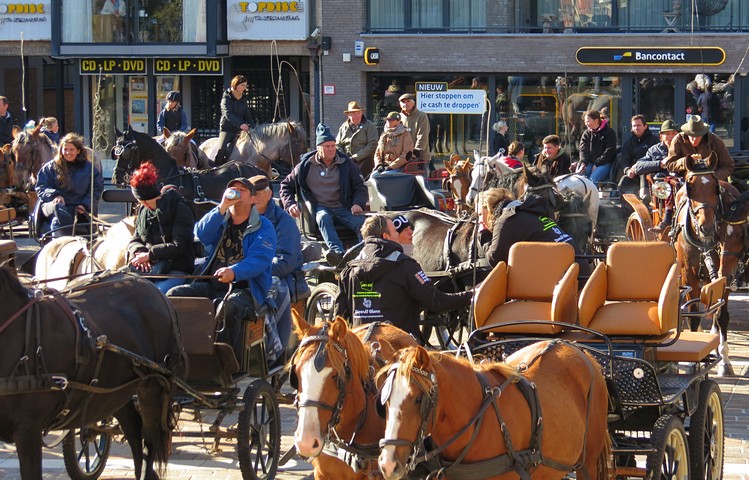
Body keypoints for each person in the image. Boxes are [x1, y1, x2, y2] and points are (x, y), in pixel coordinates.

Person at [167, 178, 283, 365]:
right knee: (175, 296)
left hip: (246, 289)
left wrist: (234, 272)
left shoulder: (264, 226)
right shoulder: (220, 219)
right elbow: (201, 234)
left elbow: (259, 260)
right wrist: (222, 207)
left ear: (253, 198)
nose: (236, 192)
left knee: (228, 308)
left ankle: (224, 364)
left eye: (242, 190)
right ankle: (181, 355)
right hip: (212, 283)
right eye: (232, 189)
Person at [334, 214, 472, 339]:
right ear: (386, 237)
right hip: (399, 348)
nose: (397, 235)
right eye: (395, 231)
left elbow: (339, 318)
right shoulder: (405, 266)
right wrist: (471, 295)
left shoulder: (348, 271)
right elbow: (436, 302)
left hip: (363, 347)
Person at [279, 123, 368, 266]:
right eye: (327, 146)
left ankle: (364, 253)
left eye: (333, 146)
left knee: (363, 224)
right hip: (320, 207)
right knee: (323, 218)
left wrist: (358, 203)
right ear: (318, 148)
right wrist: (290, 204)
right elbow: (285, 186)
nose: (332, 149)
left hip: (344, 206)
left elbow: (360, 186)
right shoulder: (304, 166)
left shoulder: (346, 163)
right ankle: (337, 253)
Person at [248, 174, 304, 351]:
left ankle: (275, 349)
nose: (254, 198)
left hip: (282, 276)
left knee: (270, 288)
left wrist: (253, 270)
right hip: (247, 273)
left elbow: (285, 262)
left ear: (269, 194)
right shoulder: (242, 217)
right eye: (251, 194)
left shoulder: (283, 221)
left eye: (258, 194)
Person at [126, 162, 196, 293]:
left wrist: (150, 255)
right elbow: (135, 239)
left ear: (141, 199)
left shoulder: (180, 209)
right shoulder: (144, 211)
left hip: (176, 270)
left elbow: (180, 246)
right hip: (150, 269)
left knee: (154, 295)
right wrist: (139, 253)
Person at [477, 187, 575, 267]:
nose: (480, 220)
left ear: (489, 208)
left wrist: (484, 233)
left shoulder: (507, 219)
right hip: (580, 271)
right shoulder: (530, 211)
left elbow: (494, 259)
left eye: (480, 214)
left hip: (565, 278)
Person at [35, 133, 103, 237]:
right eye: (65, 149)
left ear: (78, 151)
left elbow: (96, 190)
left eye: (71, 149)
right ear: (61, 150)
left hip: (78, 207)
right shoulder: (49, 167)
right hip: (53, 205)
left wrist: (85, 204)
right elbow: (41, 187)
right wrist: (55, 195)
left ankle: (63, 245)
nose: (68, 152)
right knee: (59, 209)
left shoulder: (89, 169)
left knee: (57, 223)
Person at [625, 119, 679, 233]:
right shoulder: (655, 150)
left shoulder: (683, 148)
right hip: (663, 189)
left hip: (681, 184)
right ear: (661, 136)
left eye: (674, 133)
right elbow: (639, 166)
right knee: (664, 183)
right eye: (668, 134)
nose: (671, 137)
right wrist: (659, 164)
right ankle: (666, 219)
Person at [664, 115, 734, 181]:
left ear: (703, 134)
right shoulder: (678, 140)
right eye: (691, 136)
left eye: (697, 136)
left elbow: (728, 166)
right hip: (686, 181)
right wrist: (686, 161)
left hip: (712, 182)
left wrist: (713, 177)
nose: (694, 139)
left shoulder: (715, 141)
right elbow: (670, 165)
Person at [216, 75, 254, 166]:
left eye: (245, 85)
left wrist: (254, 127)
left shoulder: (243, 98)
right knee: (221, 149)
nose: (244, 88)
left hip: (240, 130)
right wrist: (240, 124)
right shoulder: (226, 97)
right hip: (227, 129)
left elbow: (247, 115)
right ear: (235, 85)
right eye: (242, 85)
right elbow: (227, 113)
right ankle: (216, 168)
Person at [335, 101, 379, 178]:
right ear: (348, 115)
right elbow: (338, 145)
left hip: (365, 161)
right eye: (353, 113)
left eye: (358, 113)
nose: (356, 115)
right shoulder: (343, 127)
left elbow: (373, 145)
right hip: (345, 161)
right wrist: (344, 158)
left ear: (362, 113)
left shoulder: (369, 126)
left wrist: (356, 158)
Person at [576, 109, 618, 183]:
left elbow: (610, 151)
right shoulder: (586, 134)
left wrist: (597, 163)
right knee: (581, 179)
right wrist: (583, 163)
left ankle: (592, 194)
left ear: (596, 121)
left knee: (593, 180)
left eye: (588, 121)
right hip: (589, 162)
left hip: (605, 163)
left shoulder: (609, 132)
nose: (586, 124)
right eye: (585, 121)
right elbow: (583, 150)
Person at [616, 114, 659, 181]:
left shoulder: (654, 140)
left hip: (649, 174)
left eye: (638, 125)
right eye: (634, 126)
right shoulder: (628, 143)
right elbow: (624, 160)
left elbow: (656, 159)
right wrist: (627, 170)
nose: (636, 128)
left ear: (645, 126)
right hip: (632, 174)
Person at [399, 93, 432, 173]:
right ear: (400, 104)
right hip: (402, 157)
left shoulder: (421, 116)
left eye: (408, 101)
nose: (405, 104)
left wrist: (416, 153)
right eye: (403, 102)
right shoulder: (398, 117)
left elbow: (422, 136)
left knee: (421, 181)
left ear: (413, 103)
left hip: (420, 157)